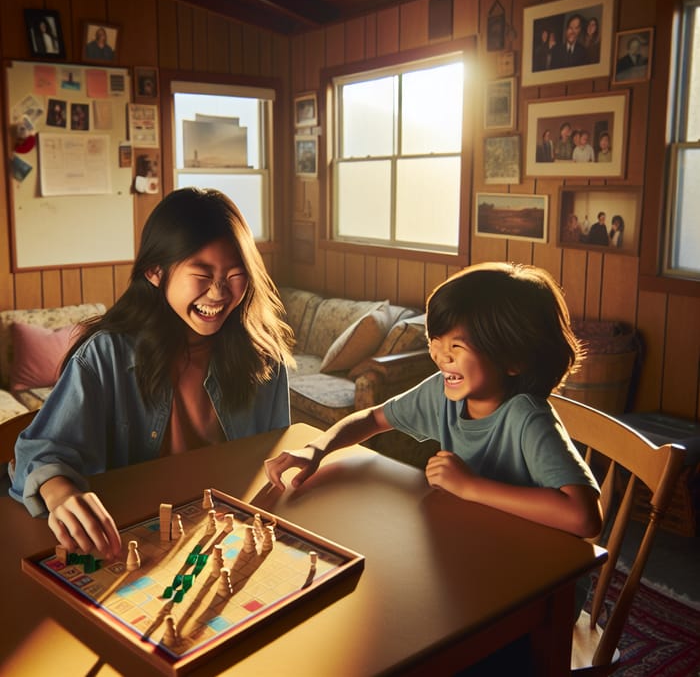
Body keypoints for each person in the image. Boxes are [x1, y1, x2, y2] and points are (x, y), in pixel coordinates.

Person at [9, 188, 295, 559]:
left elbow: (272, 464)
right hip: (128, 543)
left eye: (235, 275)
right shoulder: (106, 355)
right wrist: (61, 493)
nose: (219, 293)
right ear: (155, 272)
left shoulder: (264, 357)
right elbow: (39, 451)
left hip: (223, 537)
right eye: (202, 274)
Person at [265, 262, 603, 545]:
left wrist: (470, 486)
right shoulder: (442, 393)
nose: (440, 356)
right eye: (435, 341)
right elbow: (372, 419)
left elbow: (585, 517)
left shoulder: (527, 418)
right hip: (477, 546)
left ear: (513, 359)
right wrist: (317, 449)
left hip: (537, 576)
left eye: (457, 346)